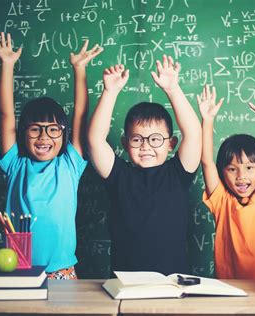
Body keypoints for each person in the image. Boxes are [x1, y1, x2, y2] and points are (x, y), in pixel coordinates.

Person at [0, 32, 102, 279]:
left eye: (53, 130)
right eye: (35, 129)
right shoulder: (15, 164)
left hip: (61, 272)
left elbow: (80, 115)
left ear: (63, 134)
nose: (44, 137)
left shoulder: (69, 164)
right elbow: (6, 115)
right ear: (23, 133)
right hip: (20, 269)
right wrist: (7, 65)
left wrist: (79, 69)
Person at [87, 56, 202, 275]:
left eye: (155, 139)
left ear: (171, 144)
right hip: (125, 282)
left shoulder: (178, 174)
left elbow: (195, 134)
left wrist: (173, 89)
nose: (146, 146)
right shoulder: (118, 175)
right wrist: (109, 93)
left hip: (173, 282)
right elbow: (95, 140)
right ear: (125, 143)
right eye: (137, 139)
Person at [198, 85, 255, 279]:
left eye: (249, 167)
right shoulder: (221, 201)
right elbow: (206, 161)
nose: (241, 176)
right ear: (223, 172)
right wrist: (207, 120)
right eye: (232, 169)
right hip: (231, 289)